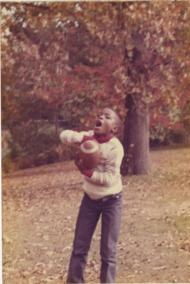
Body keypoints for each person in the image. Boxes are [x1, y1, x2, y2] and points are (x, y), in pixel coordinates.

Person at [60, 107, 124, 284]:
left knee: (108, 251)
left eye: (107, 117)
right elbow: (64, 135)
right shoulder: (89, 137)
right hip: (90, 199)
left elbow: (110, 178)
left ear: (114, 129)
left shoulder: (116, 149)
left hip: (112, 200)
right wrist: (80, 138)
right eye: (99, 115)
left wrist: (87, 173)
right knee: (80, 246)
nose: (101, 117)